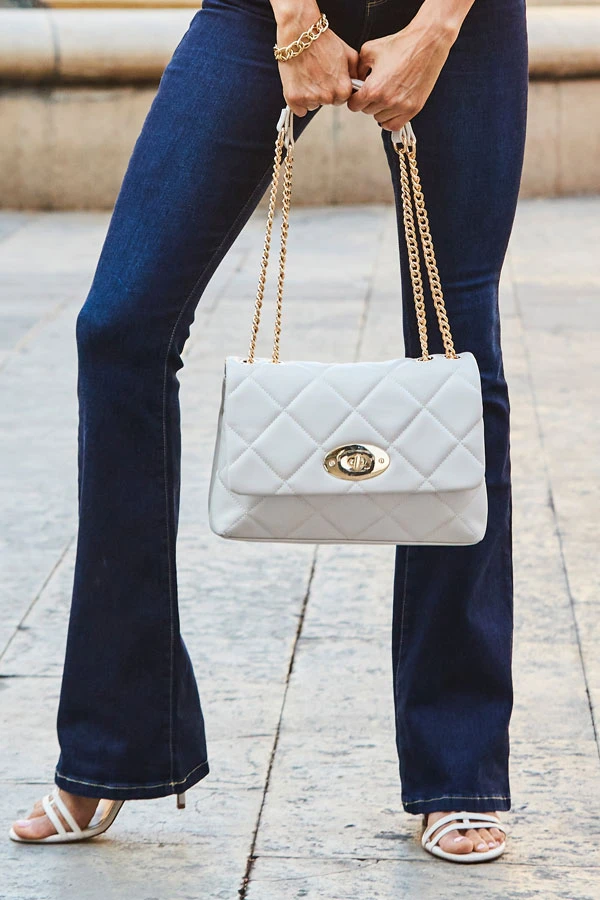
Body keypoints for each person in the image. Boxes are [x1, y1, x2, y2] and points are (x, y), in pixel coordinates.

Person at [9, 0, 527, 861]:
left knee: (460, 353)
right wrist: (295, 20)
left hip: (458, 18)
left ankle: (458, 770)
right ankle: (116, 741)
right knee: (120, 330)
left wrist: (436, 29)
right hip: (263, 12)